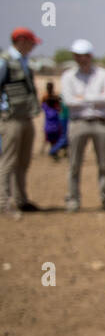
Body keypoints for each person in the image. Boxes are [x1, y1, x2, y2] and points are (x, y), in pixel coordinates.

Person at [60, 39, 105, 212]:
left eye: (83, 56)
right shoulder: (68, 76)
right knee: (74, 164)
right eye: (77, 56)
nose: (80, 59)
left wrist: (83, 98)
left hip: (100, 123)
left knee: (104, 164)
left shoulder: (103, 74)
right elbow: (69, 101)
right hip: (78, 123)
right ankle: (73, 200)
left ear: (90, 56)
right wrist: (95, 98)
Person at [0, 27, 43, 219]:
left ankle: (21, 199)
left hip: (26, 117)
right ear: (21, 40)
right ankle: (3, 203)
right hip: (11, 119)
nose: (33, 46)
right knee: (8, 161)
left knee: (23, 162)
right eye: (31, 42)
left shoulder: (24, 61)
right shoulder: (5, 62)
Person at [41, 82, 67, 159]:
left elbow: (43, 105)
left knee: (52, 140)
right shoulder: (53, 99)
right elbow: (59, 107)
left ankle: (53, 151)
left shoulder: (46, 99)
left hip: (48, 126)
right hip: (57, 125)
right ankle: (54, 151)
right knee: (60, 138)